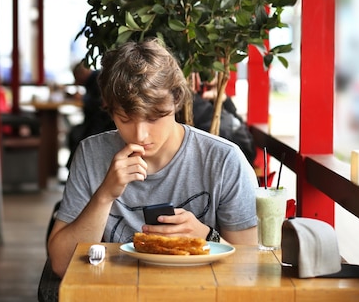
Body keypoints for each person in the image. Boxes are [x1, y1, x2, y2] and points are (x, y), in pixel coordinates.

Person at [48, 39, 258, 277]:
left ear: (176, 100)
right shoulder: (92, 153)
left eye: (154, 118)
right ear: (110, 109)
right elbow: (60, 264)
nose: (140, 135)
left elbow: (249, 265)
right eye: (125, 119)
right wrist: (105, 195)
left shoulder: (223, 160)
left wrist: (205, 237)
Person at [65, 62, 115, 169]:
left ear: (82, 73)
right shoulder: (94, 80)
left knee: (77, 137)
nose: (76, 81)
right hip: (96, 122)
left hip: (100, 124)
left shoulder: (97, 79)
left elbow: (99, 104)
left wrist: (83, 99)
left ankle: (75, 169)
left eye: (77, 77)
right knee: (74, 135)